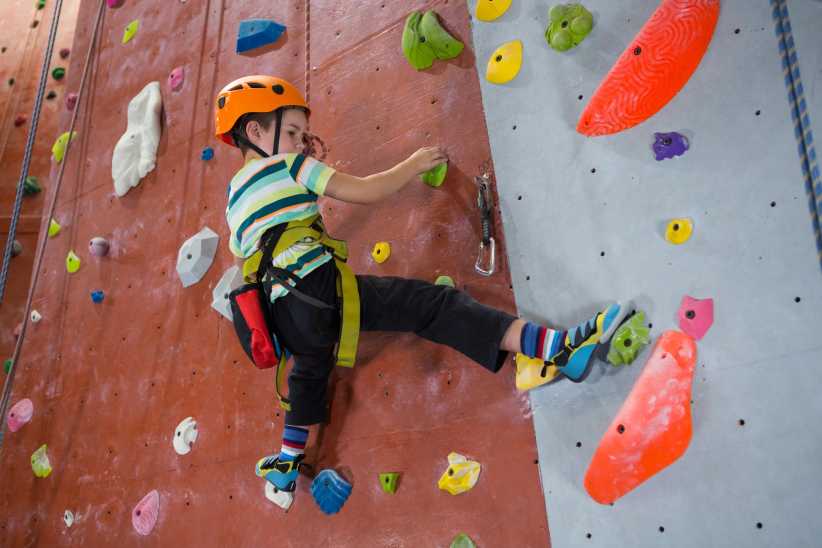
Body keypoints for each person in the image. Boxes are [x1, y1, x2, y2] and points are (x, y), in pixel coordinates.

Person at [215, 75, 630, 498]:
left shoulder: (232, 199)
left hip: (284, 318)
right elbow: (364, 190)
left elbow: (240, 263)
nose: (301, 143)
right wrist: (412, 164)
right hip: (320, 289)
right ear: (254, 131)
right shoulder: (288, 166)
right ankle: (554, 348)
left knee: (308, 371)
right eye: (290, 132)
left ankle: (287, 460)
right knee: (432, 305)